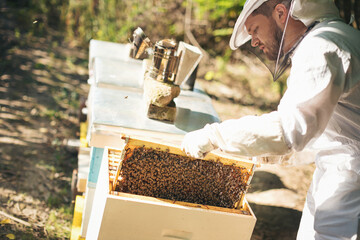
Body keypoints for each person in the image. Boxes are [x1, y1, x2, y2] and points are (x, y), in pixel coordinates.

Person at [181, 0, 360, 239]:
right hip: (340, 169)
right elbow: (322, 133)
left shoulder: (321, 47)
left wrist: (215, 136)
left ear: (280, 13)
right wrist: (251, 151)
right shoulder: (336, 35)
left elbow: (290, 129)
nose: (253, 41)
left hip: (350, 177)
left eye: (254, 29)